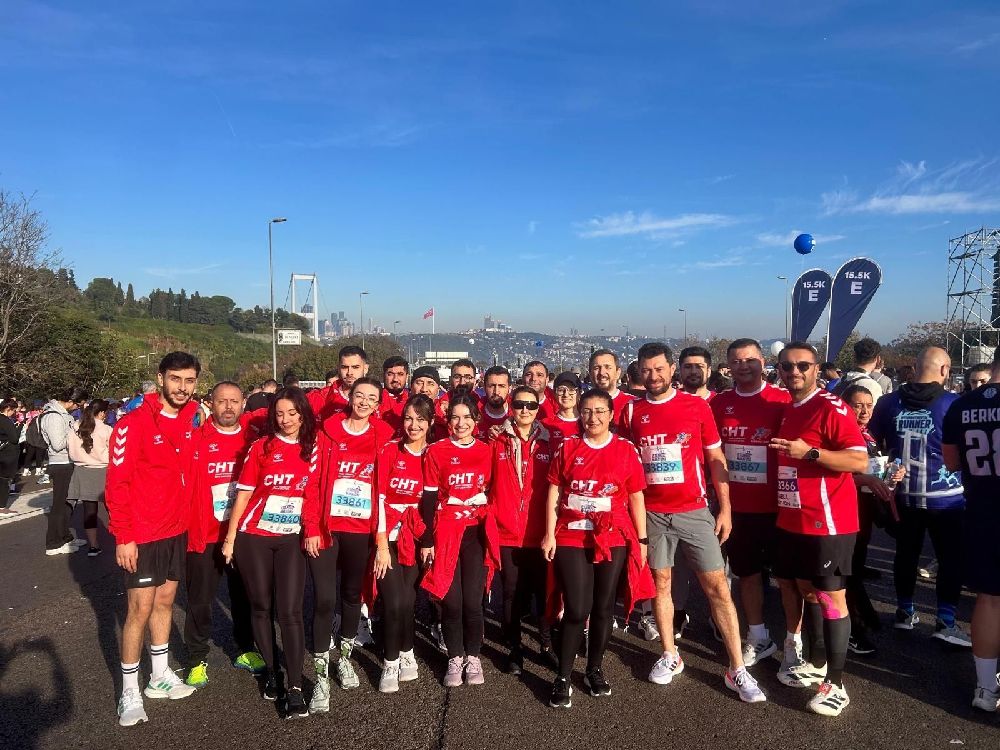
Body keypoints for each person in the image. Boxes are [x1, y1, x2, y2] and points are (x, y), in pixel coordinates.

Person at [621, 342, 765, 703]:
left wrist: (726, 507)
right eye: (645, 370)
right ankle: (670, 654)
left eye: (659, 369)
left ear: (672, 370)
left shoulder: (696, 406)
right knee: (662, 584)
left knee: (717, 586)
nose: (652, 376)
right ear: (638, 372)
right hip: (652, 513)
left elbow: (715, 456)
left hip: (694, 510)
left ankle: (736, 668)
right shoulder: (631, 413)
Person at [768, 342, 869, 717]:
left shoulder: (831, 406)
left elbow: (859, 460)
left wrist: (810, 453)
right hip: (793, 520)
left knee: (831, 597)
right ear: (777, 370)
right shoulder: (789, 409)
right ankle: (816, 662)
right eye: (787, 366)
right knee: (806, 591)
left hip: (828, 523)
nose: (794, 372)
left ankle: (837, 685)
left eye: (803, 366)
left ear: (816, 369)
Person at [106, 352, 201, 726]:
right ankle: (129, 690)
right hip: (143, 534)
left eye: (189, 380)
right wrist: (124, 536)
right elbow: (117, 483)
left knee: (164, 602)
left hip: (176, 530)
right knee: (138, 612)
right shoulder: (133, 423)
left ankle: (159, 675)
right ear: (160, 378)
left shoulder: (193, 418)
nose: (182, 387)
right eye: (175, 379)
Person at [543, 389, 652, 708]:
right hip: (571, 534)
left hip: (612, 534)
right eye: (587, 411)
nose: (593, 418)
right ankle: (563, 676)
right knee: (577, 607)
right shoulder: (569, 446)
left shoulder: (625, 450)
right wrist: (549, 534)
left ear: (611, 414)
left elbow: (636, 497)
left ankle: (594, 668)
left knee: (604, 608)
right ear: (580, 413)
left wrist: (642, 540)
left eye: (600, 411)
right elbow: (553, 490)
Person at [223, 386, 319, 720]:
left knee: (290, 612)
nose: (286, 419)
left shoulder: (314, 449)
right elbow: (244, 495)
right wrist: (230, 538)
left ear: (303, 413)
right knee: (261, 607)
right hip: (254, 537)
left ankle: (294, 686)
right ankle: (273, 673)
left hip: (291, 539)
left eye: (292, 413)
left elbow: (315, 497)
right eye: (279, 413)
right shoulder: (261, 447)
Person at [710, 339, 802, 672]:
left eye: (750, 360)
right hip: (738, 507)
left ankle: (795, 644)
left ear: (763, 362)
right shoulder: (720, 403)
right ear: (727, 366)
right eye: (736, 361)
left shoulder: (784, 399)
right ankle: (759, 636)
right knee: (746, 574)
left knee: (789, 580)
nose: (743, 366)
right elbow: (712, 453)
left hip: (781, 506)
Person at [869, 346, 970, 646]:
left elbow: (872, 442)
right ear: (944, 370)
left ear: (914, 368)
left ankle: (904, 611)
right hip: (947, 497)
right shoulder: (954, 403)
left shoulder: (889, 402)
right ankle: (946, 620)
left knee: (906, 554)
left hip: (904, 495)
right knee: (949, 559)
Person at [304, 376, 393, 709]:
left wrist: (381, 541)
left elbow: (382, 493)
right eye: (360, 395)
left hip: (360, 529)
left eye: (372, 398)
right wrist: (311, 526)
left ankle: (343, 657)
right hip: (327, 529)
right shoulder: (326, 432)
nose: (365, 402)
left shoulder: (382, 437)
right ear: (349, 397)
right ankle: (320, 678)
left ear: (378, 404)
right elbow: (311, 483)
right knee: (325, 600)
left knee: (352, 596)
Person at [182, 381, 263, 688]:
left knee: (244, 596)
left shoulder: (255, 439)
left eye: (234, 401)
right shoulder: (197, 438)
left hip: (242, 533)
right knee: (200, 599)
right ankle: (196, 659)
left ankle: (245, 648)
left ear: (243, 404)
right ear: (210, 404)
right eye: (221, 401)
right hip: (206, 532)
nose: (228, 407)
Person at [419, 392, 496, 688]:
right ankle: (454, 655)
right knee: (451, 601)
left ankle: (473, 656)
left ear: (476, 421)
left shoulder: (487, 450)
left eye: (467, 417)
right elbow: (428, 498)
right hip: (446, 531)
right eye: (455, 418)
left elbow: (494, 490)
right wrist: (427, 538)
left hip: (476, 532)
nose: (461, 423)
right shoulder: (436, 451)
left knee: (473, 602)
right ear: (447, 421)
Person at [941, 354, 1000, 711]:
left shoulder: (962, 406)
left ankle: (985, 688)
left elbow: (951, 462)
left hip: (980, 510)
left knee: (989, 599)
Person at [490, 385, 555, 674]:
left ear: (538, 408)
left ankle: (546, 645)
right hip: (507, 531)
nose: (525, 410)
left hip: (540, 531)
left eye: (530, 405)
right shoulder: (495, 441)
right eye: (519, 405)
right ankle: (515, 647)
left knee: (543, 593)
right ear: (510, 406)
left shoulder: (551, 441)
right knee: (511, 594)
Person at [372, 394, 433, 692]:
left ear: (430, 423)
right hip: (388, 539)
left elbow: (434, 503)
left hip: (416, 538)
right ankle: (390, 660)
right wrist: (382, 546)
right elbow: (378, 499)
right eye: (409, 418)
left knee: (408, 601)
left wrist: (429, 540)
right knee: (393, 601)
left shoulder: (433, 455)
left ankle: (408, 651)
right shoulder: (388, 451)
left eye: (421, 419)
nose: (414, 425)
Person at [841, 384, 905, 657]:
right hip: (844, 511)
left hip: (866, 512)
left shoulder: (868, 434)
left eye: (869, 404)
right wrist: (863, 479)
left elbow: (876, 468)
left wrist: (894, 472)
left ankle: (859, 619)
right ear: (845, 406)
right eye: (858, 405)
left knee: (854, 568)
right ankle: (851, 630)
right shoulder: (840, 434)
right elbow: (829, 473)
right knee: (846, 572)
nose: (865, 410)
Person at [41, 386, 90, 555]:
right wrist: (76, 432)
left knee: (69, 502)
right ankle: (53, 543)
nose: (78, 408)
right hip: (60, 464)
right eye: (78, 405)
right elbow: (57, 444)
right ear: (70, 402)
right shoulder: (53, 417)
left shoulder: (64, 414)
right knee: (59, 505)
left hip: (68, 462)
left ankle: (65, 536)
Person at [66, 399, 112, 555]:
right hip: (104, 471)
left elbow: (70, 450)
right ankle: (121, 539)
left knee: (89, 510)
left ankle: (93, 545)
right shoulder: (106, 429)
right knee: (113, 508)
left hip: (82, 471)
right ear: (101, 413)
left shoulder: (75, 427)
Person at [541, 372, 582, 457]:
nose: (566, 394)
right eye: (561, 390)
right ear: (555, 393)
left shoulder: (589, 423)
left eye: (571, 390)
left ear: (579, 393)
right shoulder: (545, 425)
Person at [588, 349, 635, 423]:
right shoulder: (581, 405)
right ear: (590, 374)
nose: (602, 372)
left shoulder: (632, 403)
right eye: (596, 368)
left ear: (618, 372)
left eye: (607, 367)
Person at [478, 366, 512, 441]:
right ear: (484, 387)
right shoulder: (473, 412)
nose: (496, 391)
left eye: (501, 386)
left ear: (509, 388)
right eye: (491, 386)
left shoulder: (519, 412)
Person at [0, 399, 21, 514]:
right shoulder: (6, 421)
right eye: (13, 410)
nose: (14, 413)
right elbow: (14, 439)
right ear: (8, 409)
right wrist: (21, 426)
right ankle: (2, 506)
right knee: (5, 480)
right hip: (8, 454)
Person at [381, 356, 410, 436]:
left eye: (400, 374)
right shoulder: (374, 400)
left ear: (407, 377)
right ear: (383, 375)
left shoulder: (412, 402)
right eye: (390, 374)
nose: (395, 379)